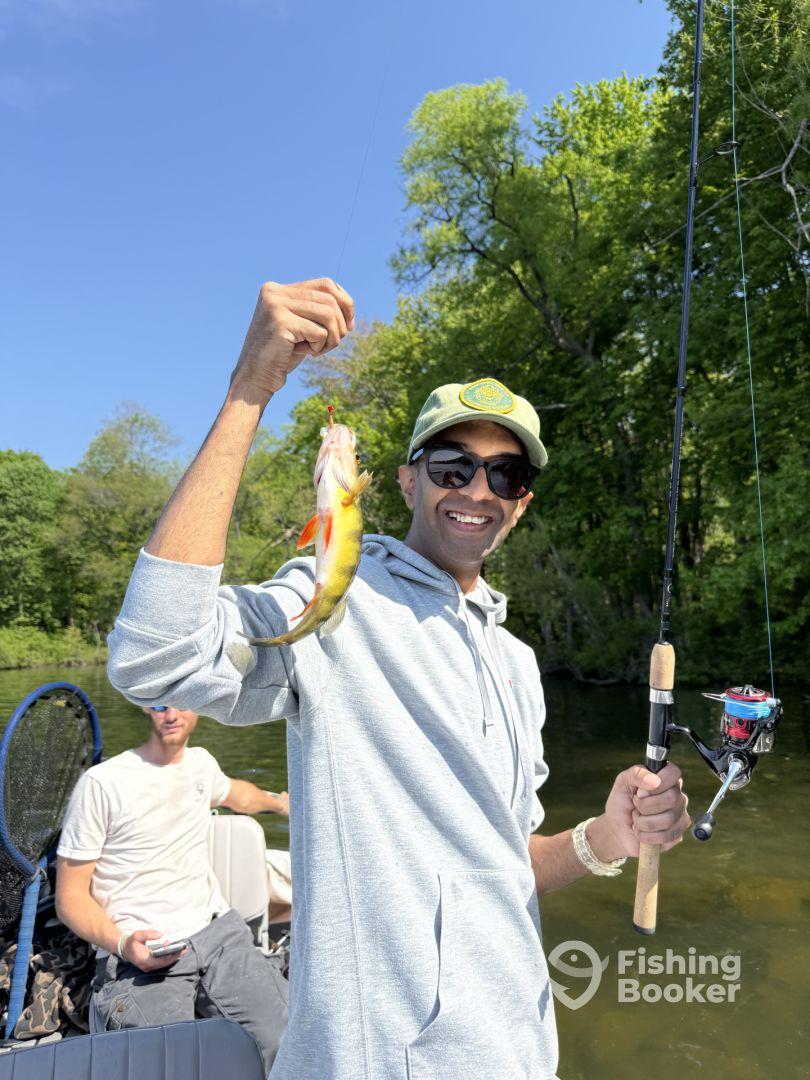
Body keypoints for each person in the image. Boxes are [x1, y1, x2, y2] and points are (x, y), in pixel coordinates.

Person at [106, 278, 691, 1080]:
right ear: (408, 480)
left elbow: (507, 861)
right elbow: (156, 657)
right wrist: (251, 389)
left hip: (519, 1050)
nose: (478, 491)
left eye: (506, 476)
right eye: (453, 466)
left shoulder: (519, 666)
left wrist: (611, 837)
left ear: (521, 504)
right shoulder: (339, 598)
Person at [55, 703, 290, 1073]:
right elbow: (69, 898)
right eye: (160, 703)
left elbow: (237, 795)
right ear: (145, 708)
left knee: (289, 1039)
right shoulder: (102, 783)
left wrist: (280, 803)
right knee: (170, 1067)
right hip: (139, 955)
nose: (172, 713)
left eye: (183, 701)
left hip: (217, 936)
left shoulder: (201, 764)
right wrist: (123, 945)